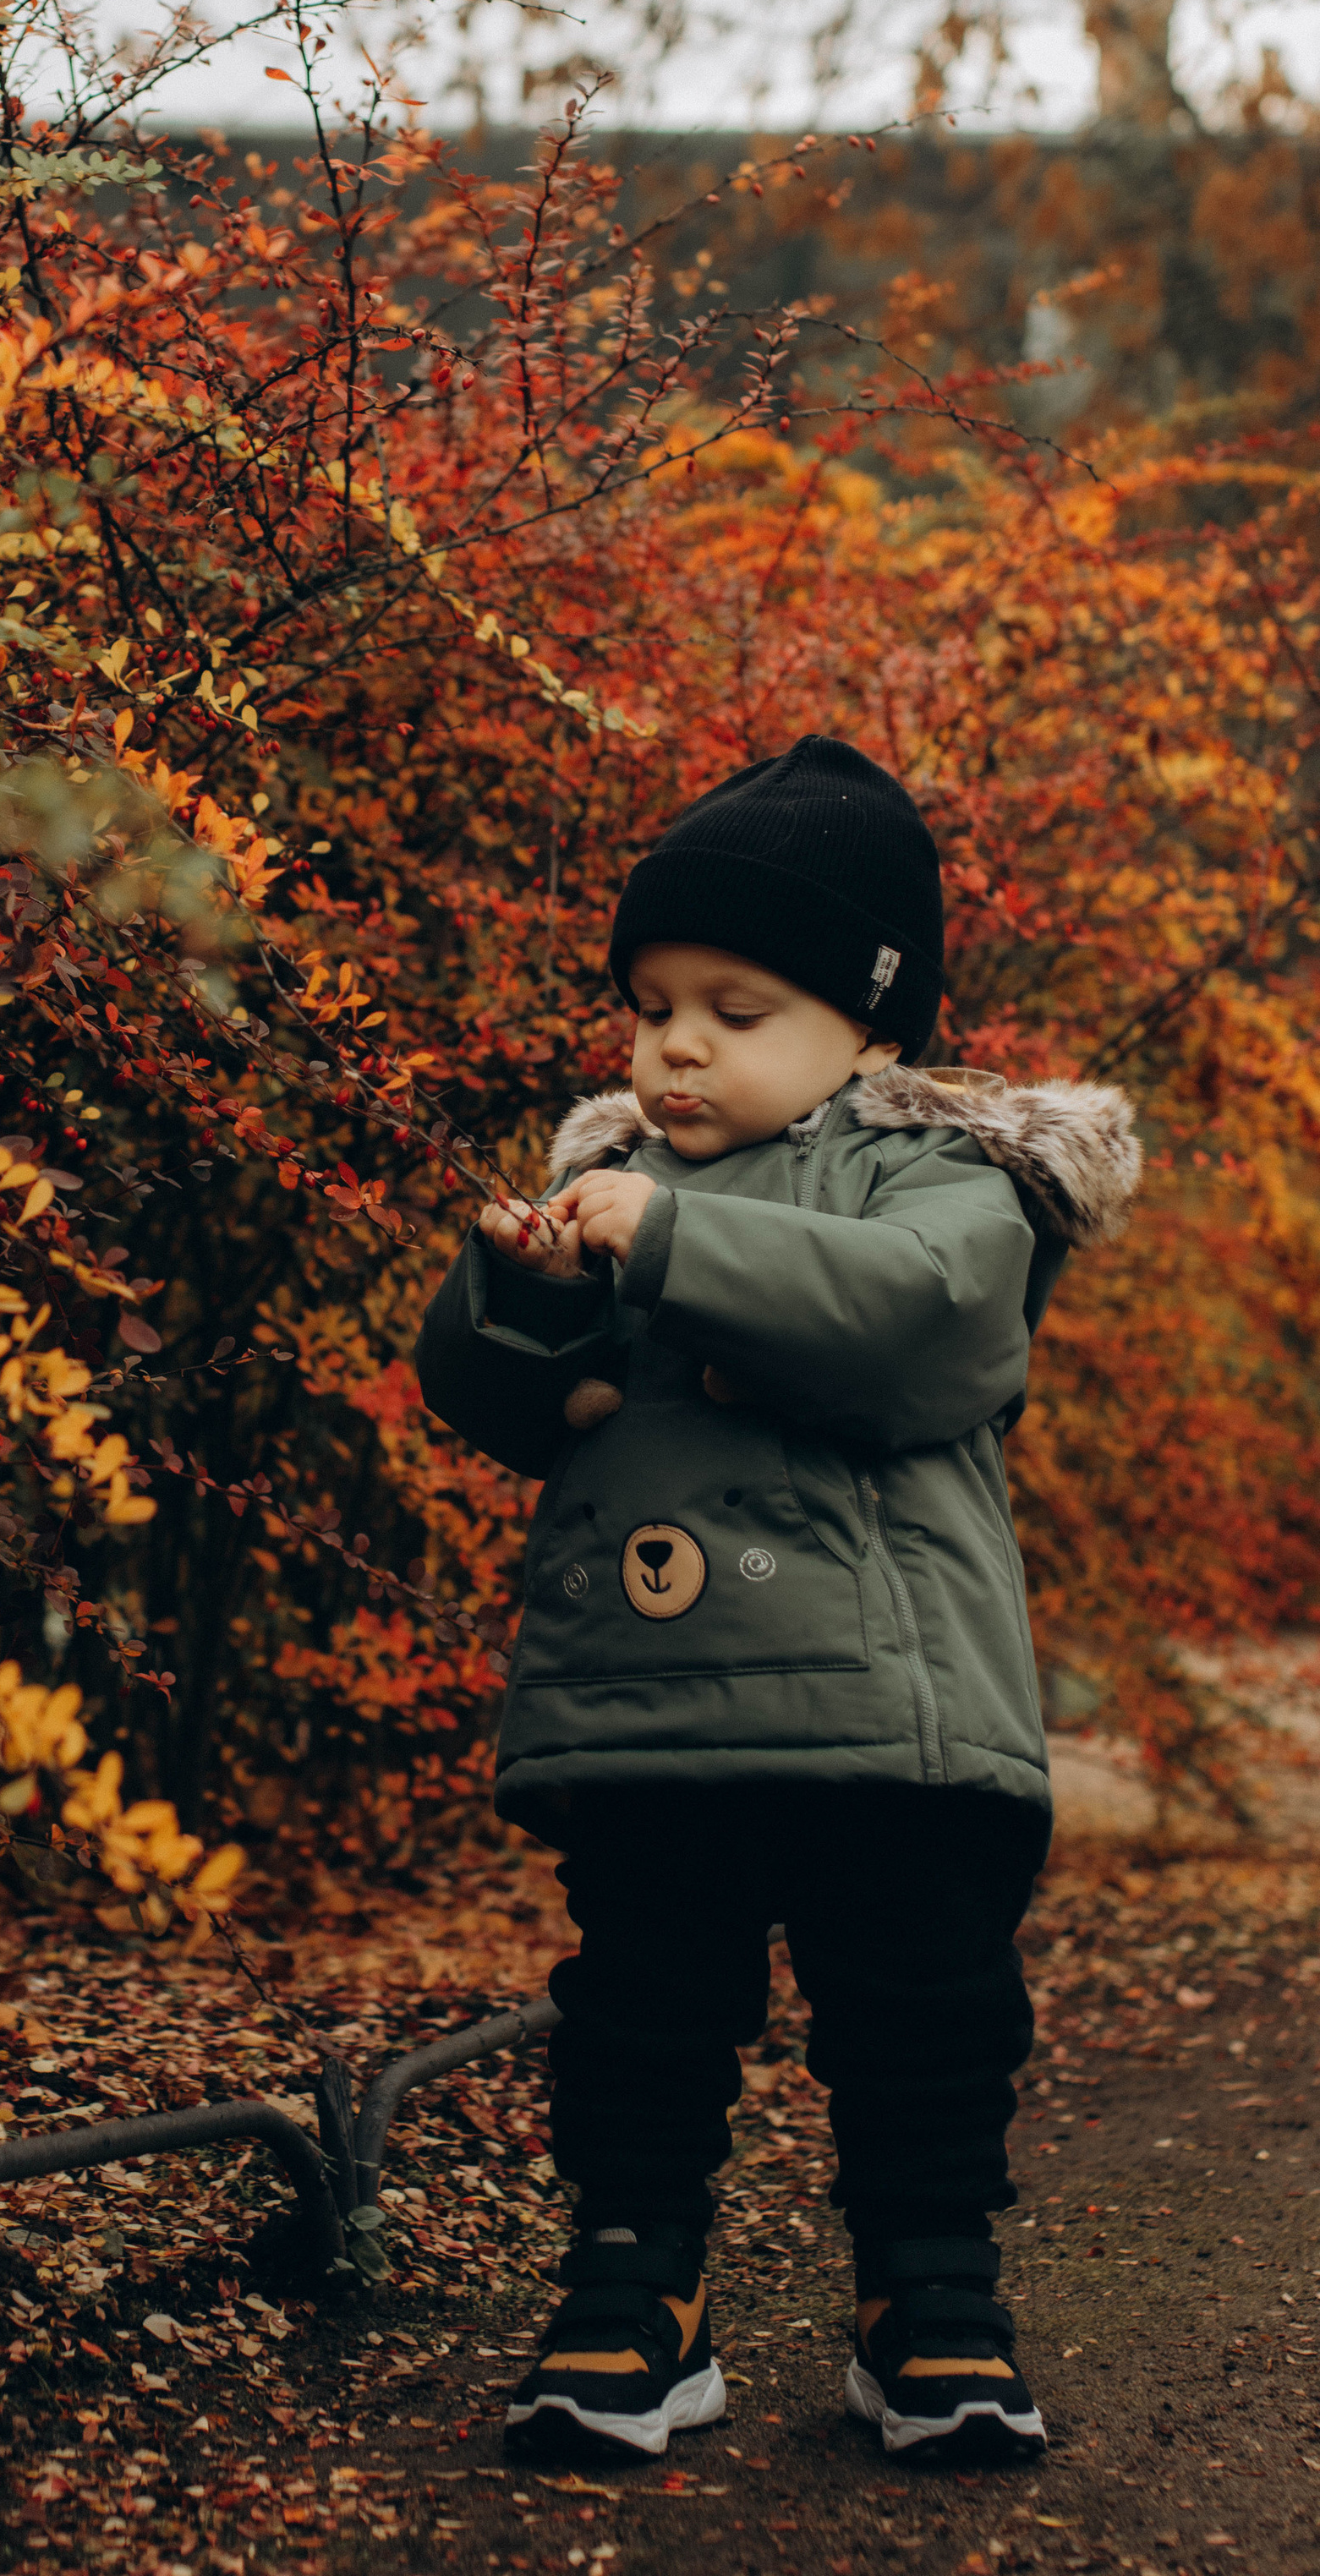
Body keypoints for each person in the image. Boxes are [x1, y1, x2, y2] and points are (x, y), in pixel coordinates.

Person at [415, 736, 1139, 2469]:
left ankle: (930, 2302)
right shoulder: (602, 1187)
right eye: (651, 1003)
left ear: (868, 1027)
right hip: (650, 1702)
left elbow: (916, 1320)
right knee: (641, 2017)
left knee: (920, 2024)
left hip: (892, 1716)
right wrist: (519, 1298)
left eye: (732, 1007)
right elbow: (497, 1397)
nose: (672, 1044)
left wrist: (657, 1242)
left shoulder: (938, 1172)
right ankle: (632, 2291)